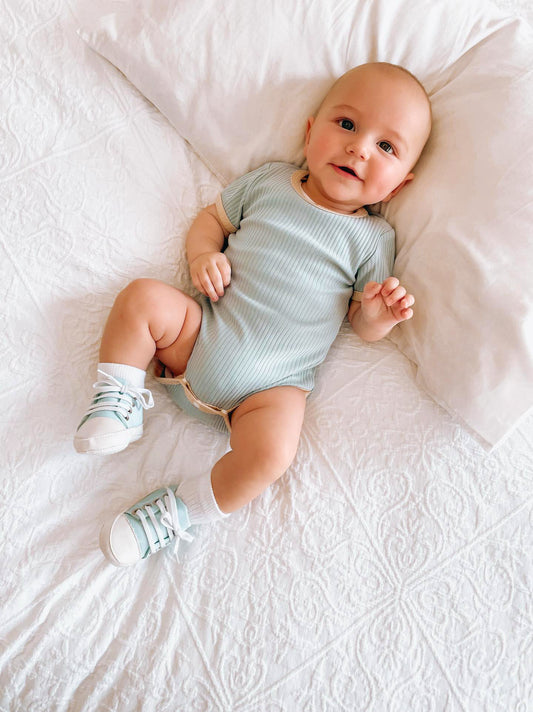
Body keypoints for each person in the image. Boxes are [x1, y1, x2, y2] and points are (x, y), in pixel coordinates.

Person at [74, 62, 432, 566]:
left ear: (397, 187)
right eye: (347, 125)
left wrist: (381, 314)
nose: (359, 148)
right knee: (142, 298)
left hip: (271, 388)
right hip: (201, 333)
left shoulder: (372, 238)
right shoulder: (271, 182)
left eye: (386, 147)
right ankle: (118, 397)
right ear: (311, 133)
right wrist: (203, 255)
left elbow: (362, 324)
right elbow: (212, 219)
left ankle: (177, 512)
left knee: (273, 455)